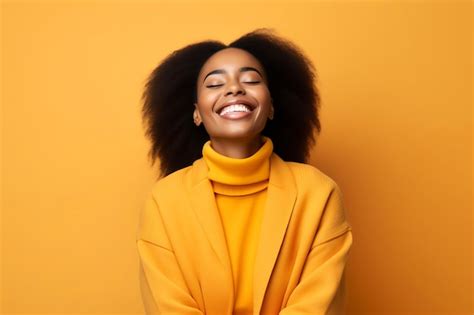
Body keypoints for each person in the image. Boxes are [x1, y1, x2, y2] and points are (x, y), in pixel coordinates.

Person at [136, 28, 353, 315]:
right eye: (214, 84)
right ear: (196, 113)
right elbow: (168, 307)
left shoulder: (319, 194)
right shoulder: (164, 201)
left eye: (251, 79)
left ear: (272, 106)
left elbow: (318, 305)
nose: (234, 88)